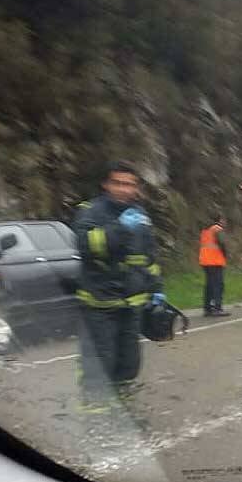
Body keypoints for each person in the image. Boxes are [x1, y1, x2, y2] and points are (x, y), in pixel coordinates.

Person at [72, 161, 163, 411]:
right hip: (99, 303)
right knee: (99, 360)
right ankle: (96, 414)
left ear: (136, 188)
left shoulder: (141, 216)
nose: (124, 189)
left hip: (131, 303)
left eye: (130, 184)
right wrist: (120, 229)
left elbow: (149, 257)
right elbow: (87, 246)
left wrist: (157, 289)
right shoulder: (89, 211)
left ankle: (123, 406)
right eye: (118, 183)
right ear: (106, 184)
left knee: (129, 360)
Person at [199, 214, 230, 317]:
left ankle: (207, 308)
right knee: (218, 285)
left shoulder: (205, 230)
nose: (224, 222)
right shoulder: (217, 229)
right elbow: (223, 243)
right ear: (220, 220)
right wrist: (225, 255)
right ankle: (217, 308)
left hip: (205, 261)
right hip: (215, 261)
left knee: (209, 285)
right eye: (223, 220)